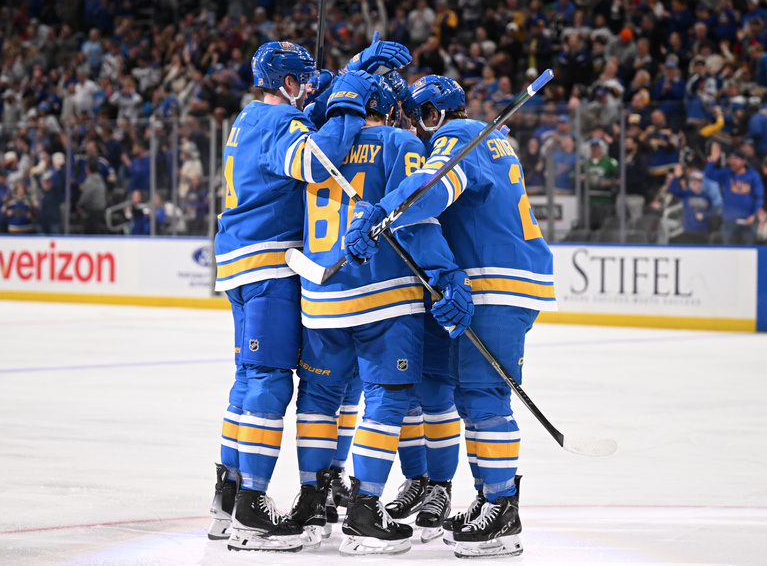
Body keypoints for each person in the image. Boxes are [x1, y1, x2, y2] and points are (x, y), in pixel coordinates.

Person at [343, 74, 558, 559]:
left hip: (496, 279)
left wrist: (381, 213)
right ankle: (488, 499)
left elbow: (432, 188)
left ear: (433, 115)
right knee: (473, 394)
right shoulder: (491, 139)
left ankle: (503, 510)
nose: (415, 130)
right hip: (505, 277)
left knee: (484, 396)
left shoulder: (457, 138)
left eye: (417, 117)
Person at [211, 39, 406, 552]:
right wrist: (348, 101)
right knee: (270, 384)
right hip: (269, 263)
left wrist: (354, 71)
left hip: (239, 259)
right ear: (289, 84)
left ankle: (228, 495)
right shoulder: (281, 124)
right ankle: (252, 508)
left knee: (248, 379)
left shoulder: (250, 117)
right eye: (307, 84)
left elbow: (306, 125)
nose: (311, 92)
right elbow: (318, 160)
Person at [292, 75, 462, 554]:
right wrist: (445, 275)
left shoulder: (317, 144)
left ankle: (315, 501)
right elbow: (417, 216)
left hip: (320, 298)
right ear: (389, 109)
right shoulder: (399, 140)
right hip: (382, 296)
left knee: (321, 398)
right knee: (387, 400)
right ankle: (364, 510)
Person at [704, 144, 765, 245]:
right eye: (730, 159)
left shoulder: (753, 176)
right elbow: (709, 174)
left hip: (747, 221)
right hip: (729, 221)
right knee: (729, 251)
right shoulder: (726, 174)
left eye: (735, 159)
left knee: (747, 251)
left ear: (743, 161)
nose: (732, 162)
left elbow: (759, 197)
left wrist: (753, 214)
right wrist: (713, 159)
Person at [665, 166, 717, 244]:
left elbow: (712, 212)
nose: (694, 183)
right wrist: (676, 177)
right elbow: (672, 190)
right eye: (692, 181)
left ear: (701, 183)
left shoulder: (707, 197)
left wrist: (704, 215)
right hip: (688, 231)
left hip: (703, 232)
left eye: (697, 182)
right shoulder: (686, 194)